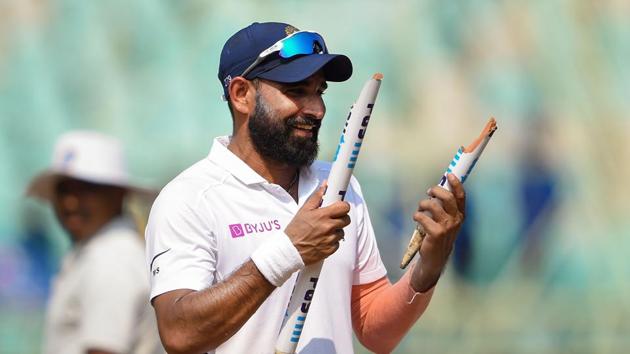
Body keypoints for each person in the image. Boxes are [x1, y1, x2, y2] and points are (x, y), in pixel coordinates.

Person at [145, 22, 466, 354]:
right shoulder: (189, 198)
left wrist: (430, 263)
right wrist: (288, 251)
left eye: (319, 91)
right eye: (297, 91)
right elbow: (179, 333)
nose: (317, 109)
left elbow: (376, 332)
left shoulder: (341, 185)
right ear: (242, 95)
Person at [27, 131, 164, 354]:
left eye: (87, 190)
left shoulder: (113, 257)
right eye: (64, 190)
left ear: (118, 195)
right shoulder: (95, 251)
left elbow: (105, 348)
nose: (71, 203)